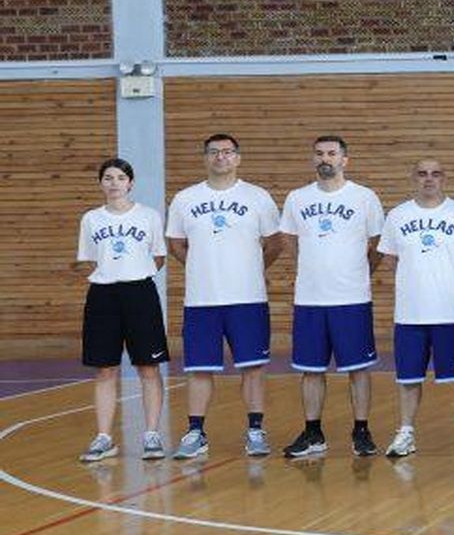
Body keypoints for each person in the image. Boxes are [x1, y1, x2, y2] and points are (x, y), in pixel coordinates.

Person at [165, 134, 282, 459]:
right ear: (205, 158)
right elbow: (175, 243)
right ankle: (195, 432)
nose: (221, 157)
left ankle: (256, 430)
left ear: (238, 158)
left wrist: (252, 267)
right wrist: (201, 266)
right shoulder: (185, 198)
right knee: (199, 368)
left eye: (228, 152)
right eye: (214, 152)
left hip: (248, 298)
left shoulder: (257, 197)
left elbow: (275, 243)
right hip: (202, 300)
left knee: (253, 367)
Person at [278, 136, 385, 459]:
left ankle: (361, 430)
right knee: (311, 369)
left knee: (359, 368)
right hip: (310, 298)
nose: (325, 158)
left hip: (351, 298)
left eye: (332, 153)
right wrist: (312, 266)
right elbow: (288, 239)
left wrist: (358, 270)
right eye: (320, 153)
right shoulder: (297, 198)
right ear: (314, 159)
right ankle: (313, 433)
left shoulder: (364, 197)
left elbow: (378, 242)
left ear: (344, 160)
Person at [378, 158, 454, 458]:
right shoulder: (397, 215)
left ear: (444, 178)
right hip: (410, 313)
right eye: (422, 174)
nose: (429, 179)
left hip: (451, 311)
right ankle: (406, 433)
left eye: (435, 174)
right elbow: (388, 256)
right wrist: (415, 278)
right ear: (413, 178)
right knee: (408, 377)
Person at [75, 158, 169, 462]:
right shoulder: (91, 219)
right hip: (103, 295)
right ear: (100, 183)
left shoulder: (148, 216)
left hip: (140, 293)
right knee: (105, 369)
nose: (114, 183)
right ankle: (104, 437)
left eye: (120, 177)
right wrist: (111, 275)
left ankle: (151, 434)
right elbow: (90, 259)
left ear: (130, 183)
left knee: (148, 367)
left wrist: (134, 274)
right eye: (108, 178)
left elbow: (158, 257)